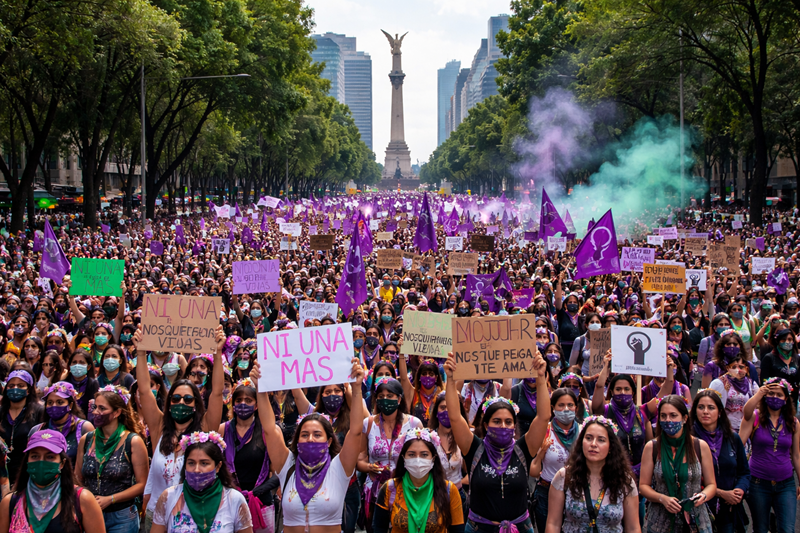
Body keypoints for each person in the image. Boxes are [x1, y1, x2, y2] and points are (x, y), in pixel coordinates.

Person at [443, 352, 550, 533]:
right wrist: (451, 379)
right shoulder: (474, 448)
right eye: (496, 421)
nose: (503, 426)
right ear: (485, 425)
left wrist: (540, 378)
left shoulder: (523, 448)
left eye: (508, 422)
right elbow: (454, 417)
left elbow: (543, 417)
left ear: (514, 425)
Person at [254, 358, 365, 533]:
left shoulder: (339, 467)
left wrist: (356, 389)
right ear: (297, 441)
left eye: (317, 434)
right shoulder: (287, 465)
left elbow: (356, 430)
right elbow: (269, 429)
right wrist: (261, 389)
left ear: (329, 441)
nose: (311, 439)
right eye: (304, 435)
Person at [133, 325, 226, 532]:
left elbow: (217, 394)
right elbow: (145, 391)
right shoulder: (158, 427)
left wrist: (218, 354)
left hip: (190, 514)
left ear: (196, 404)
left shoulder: (204, 430)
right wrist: (140, 352)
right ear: (169, 403)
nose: (181, 402)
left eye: (187, 398)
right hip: (155, 515)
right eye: (175, 398)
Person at [544, 415, 641, 533]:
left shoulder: (624, 481)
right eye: (589, 438)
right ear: (581, 442)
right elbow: (553, 524)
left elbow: (633, 528)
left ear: (611, 446)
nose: (593, 444)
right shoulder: (564, 477)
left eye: (601, 440)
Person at [75, 385, 149, 533]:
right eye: (95, 407)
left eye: (102, 409)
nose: (96, 412)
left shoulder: (132, 441)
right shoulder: (87, 439)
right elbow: (77, 476)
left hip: (121, 517)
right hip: (90, 512)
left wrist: (110, 498)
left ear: (117, 412)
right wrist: (87, 498)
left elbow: (142, 484)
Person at [0, 429, 105, 533]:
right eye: (35, 456)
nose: (41, 462)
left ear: (62, 463)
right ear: (27, 461)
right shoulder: (10, 503)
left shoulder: (82, 499)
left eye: (50, 457)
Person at [639, 395, 716, 533]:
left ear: (685, 418)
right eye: (663, 416)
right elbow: (643, 486)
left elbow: (711, 485)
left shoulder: (700, 446)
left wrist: (703, 496)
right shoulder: (652, 447)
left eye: (673, 415)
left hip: (696, 521)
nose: (668, 420)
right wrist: (662, 498)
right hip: (660, 523)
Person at [150, 431, 253, 533]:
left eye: (204, 463)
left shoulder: (234, 500)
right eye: (191, 463)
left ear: (218, 467)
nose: (197, 469)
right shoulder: (169, 497)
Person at [358, 376, 423, 531]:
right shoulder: (367, 424)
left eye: (390, 396)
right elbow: (360, 459)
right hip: (374, 491)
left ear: (399, 399)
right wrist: (369, 467)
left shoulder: (414, 423)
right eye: (381, 397)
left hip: (405, 489)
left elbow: (421, 458)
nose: (385, 400)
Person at [372, 427, 464, 533]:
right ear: (403, 458)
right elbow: (379, 528)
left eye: (424, 455)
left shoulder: (449, 490)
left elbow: (457, 530)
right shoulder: (390, 488)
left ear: (433, 458)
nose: (418, 460)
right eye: (411, 455)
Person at [738, 377, 800, 533]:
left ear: (786, 398)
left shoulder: (793, 422)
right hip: (758, 483)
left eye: (779, 395)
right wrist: (759, 394)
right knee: (761, 528)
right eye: (771, 394)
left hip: (786, 484)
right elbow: (746, 413)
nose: (775, 398)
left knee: (787, 529)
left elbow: (796, 455)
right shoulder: (755, 417)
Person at [689, 389, 749, 533]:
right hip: (699, 510)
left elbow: (744, 472)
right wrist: (721, 493)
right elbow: (688, 478)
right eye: (701, 407)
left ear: (720, 412)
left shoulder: (733, 438)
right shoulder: (688, 440)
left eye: (711, 407)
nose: (705, 411)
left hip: (729, 511)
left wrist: (739, 490)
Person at [30, 382, 94, 464]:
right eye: (50, 402)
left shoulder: (84, 428)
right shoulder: (37, 430)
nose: (54, 406)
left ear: (70, 405)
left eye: (60, 402)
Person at [0, 369, 43, 483]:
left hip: (27, 472)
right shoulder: (1, 412)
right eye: (11, 385)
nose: (15, 388)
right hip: (3, 472)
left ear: (28, 390)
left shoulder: (39, 412)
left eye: (20, 385)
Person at [428, 392, 466, 513]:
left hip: (458, 496)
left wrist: (460, 483)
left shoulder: (464, 437)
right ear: (436, 411)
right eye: (443, 407)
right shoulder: (427, 437)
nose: (447, 411)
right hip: (432, 496)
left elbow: (473, 469)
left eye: (451, 408)